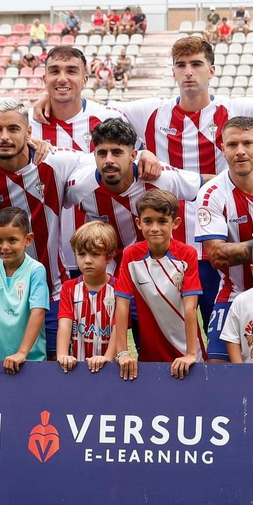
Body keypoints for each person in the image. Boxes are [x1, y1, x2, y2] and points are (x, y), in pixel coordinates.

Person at [0, 99, 103, 351]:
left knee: (59, 366)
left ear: (29, 132)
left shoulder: (55, 160)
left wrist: (143, 155)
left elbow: (100, 158)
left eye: (13, 128)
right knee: (6, 366)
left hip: (53, 290)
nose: (5, 137)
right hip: (3, 295)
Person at [196, 118, 253, 360]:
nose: (240, 151)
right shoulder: (212, 193)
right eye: (232, 145)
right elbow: (217, 256)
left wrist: (245, 248)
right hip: (234, 293)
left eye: (248, 143)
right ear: (223, 149)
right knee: (217, 366)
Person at [60, 117, 202, 261]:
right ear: (94, 155)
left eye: (117, 152)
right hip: (108, 269)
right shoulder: (79, 187)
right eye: (102, 153)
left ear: (133, 156)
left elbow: (206, 184)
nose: (109, 160)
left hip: (157, 267)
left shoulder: (160, 177)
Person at [108, 189, 203, 378]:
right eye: (148, 221)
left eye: (162, 221)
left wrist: (191, 353)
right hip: (150, 348)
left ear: (175, 223)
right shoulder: (130, 255)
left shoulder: (187, 254)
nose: (154, 228)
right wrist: (122, 352)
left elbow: (191, 307)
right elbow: (121, 305)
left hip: (186, 348)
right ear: (138, 223)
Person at [0, 207, 49, 378]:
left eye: (12, 240)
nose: (5, 247)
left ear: (28, 240)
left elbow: (38, 313)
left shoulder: (36, 270)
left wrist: (22, 353)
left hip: (30, 360)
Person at [55, 221, 120, 373]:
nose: (87, 260)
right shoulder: (69, 288)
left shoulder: (119, 288)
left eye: (95, 254)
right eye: (82, 254)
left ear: (109, 257)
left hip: (109, 368)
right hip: (75, 367)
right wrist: (62, 355)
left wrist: (108, 358)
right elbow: (64, 323)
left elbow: (119, 327)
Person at [30, 46, 121, 151]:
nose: (62, 79)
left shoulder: (109, 118)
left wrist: (143, 154)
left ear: (84, 80)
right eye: (54, 71)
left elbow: (134, 157)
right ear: (45, 79)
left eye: (71, 71)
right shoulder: (25, 125)